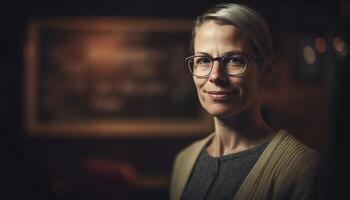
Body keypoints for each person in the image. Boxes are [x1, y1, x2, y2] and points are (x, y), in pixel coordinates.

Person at [170, 3, 322, 200]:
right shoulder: (184, 161)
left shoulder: (299, 168)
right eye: (204, 60)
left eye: (234, 60)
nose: (216, 76)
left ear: (266, 69)